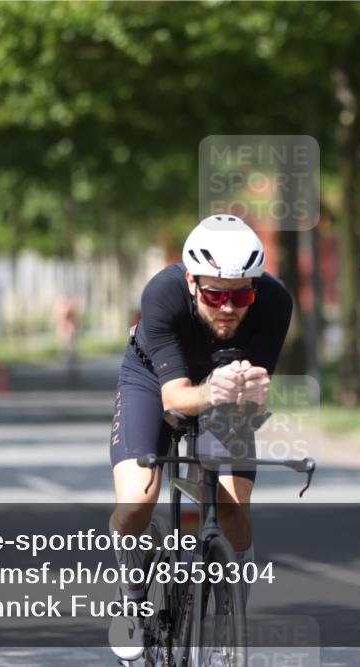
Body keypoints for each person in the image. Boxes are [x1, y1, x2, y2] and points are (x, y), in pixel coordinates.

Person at [108, 215, 292, 611]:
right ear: (192, 282)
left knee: (232, 507)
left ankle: (233, 619)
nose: (228, 308)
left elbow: (256, 401)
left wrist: (254, 395)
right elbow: (173, 401)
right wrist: (214, 392)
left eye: (240, 297)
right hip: (152, 378)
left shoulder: (275, 302)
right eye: (214, 295)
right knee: (136, 502)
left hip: (223, 386)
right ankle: (133, 597)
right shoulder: (162, 293)